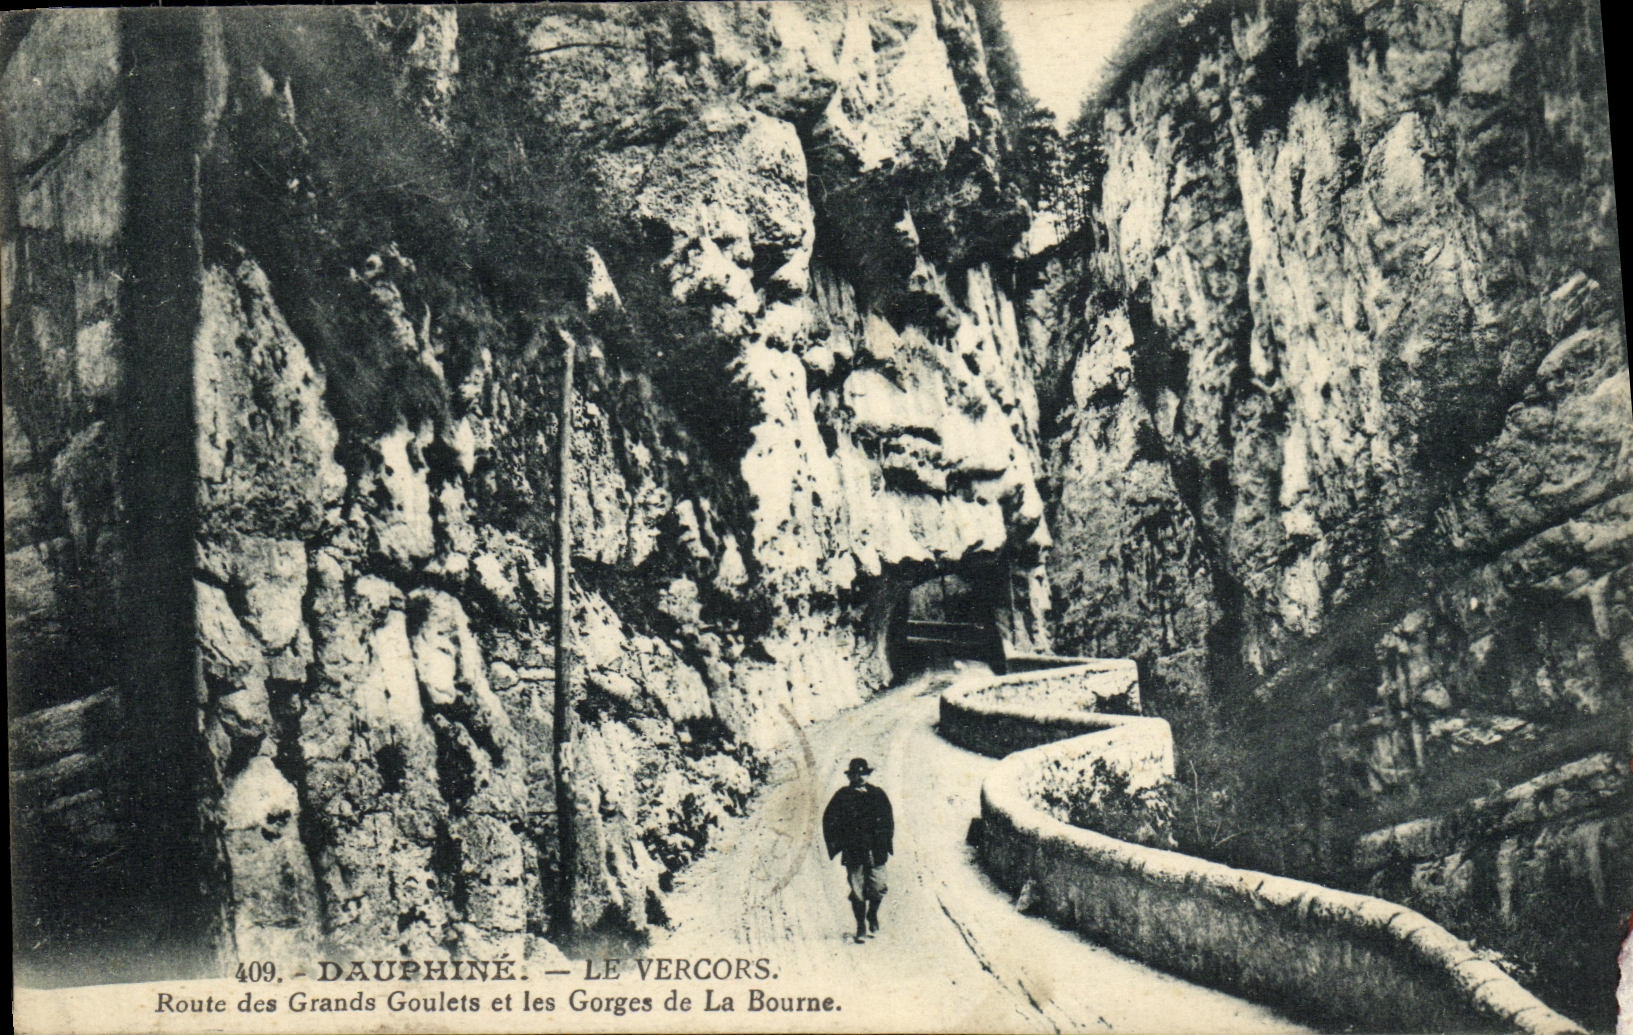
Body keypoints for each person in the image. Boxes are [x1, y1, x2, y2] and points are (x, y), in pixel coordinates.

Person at [821, 757, 894, 944]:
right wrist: (840, 844)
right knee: (857, 890)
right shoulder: (842, 796)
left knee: (878, 887)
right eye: (855, 774)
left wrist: (885, 842)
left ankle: (872, 914)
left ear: (868, 775)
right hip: (854, 851)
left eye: (863, 774)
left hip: (876, 851)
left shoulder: (878, 795)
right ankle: (860, 925)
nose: (859, 778)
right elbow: (829, 820)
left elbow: (888, 821)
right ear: (850, 776)